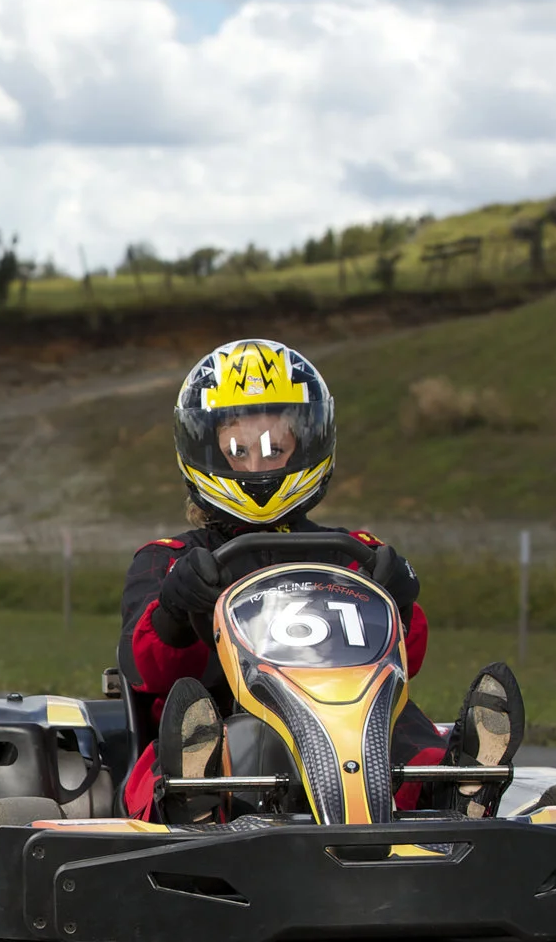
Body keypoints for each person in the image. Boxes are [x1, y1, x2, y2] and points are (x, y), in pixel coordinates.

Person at [118, 339, 524, 820]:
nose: (256, 464)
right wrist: (174, 612)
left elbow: (405, 662)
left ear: (308, 444)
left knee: (398, 728)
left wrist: (400, 603)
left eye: (274, 448)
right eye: (238, 449)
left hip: (349, 719)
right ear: (204, 450)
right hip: (225, 713)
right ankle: (196, 797)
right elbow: (143, 671)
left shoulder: (351, 552)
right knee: (201, 731)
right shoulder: (170, 560)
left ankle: (456, 788)